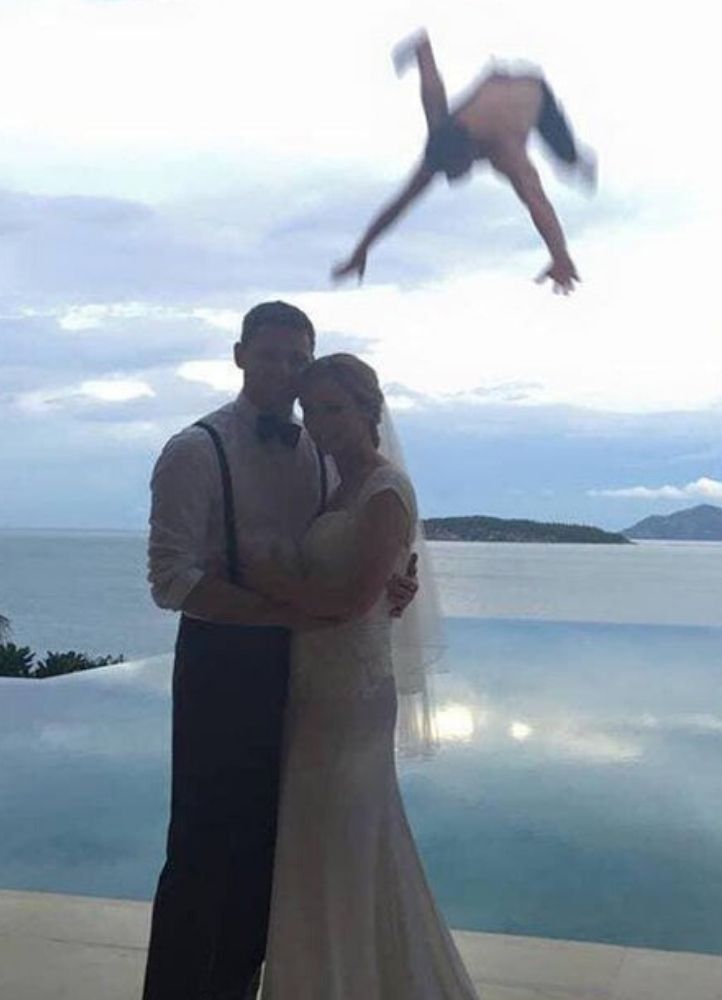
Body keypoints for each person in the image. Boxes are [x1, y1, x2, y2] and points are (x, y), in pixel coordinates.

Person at [142, 302, 418, 1000]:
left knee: (274, 846)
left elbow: (353, 551)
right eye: (269, 356)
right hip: (223, 665)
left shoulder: (322, 457)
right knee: (203, 845)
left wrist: (389, 580)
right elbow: (172, 579)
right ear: (240, 357)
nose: (283, 371)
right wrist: (285, 613)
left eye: (297, 359)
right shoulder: (194, 450)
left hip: (306, 673)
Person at [245, 354, 477, 999]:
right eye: (311, 411)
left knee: (338, 843)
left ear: (368, 411)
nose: (319, 424)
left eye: (334, 409)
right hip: (313, 686)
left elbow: (351, 600)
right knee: (326, 846)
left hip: (350, 696)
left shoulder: (383, 488)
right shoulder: (336, 485)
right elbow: (369, 587)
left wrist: (269, 587)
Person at [333, 29, 596, 295]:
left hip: (533, 90)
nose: (448, 179)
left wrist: (560, 256)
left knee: (567, 160)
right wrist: (361, 249)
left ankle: (580, 162)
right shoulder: (440, 129)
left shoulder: (506, 150)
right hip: (495, 81)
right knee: (433, 98)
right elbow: (398, 205)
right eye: (446, 173)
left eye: (455, 171)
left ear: (473, 153)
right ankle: (423, 48)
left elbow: (538, 203)